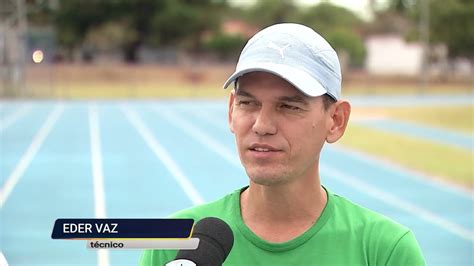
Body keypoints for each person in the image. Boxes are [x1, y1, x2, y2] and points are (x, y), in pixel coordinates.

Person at [140, 23, 425, 265]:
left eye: (289, 106)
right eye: (248, 103)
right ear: (231, 111)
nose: (262, 125)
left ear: (336, 120)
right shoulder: (174, 244)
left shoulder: (385, 251)